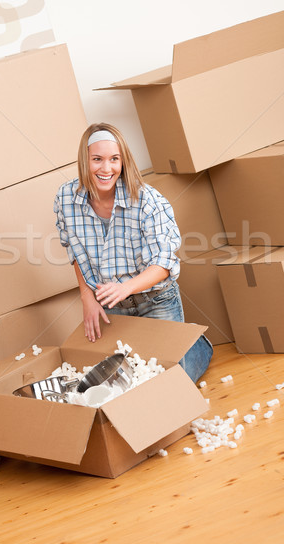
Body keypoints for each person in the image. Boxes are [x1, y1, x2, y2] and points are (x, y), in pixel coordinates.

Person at [54, 122, 213, 382]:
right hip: (112, 305)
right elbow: (74, 251)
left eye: (114, 159)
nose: (106, 169)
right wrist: (87, 298)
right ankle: (180, 341)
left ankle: (196, 344)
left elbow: (164, 263)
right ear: (85, 160)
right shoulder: (66, 198)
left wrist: (125, 287)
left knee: (171, 381)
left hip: (156, 300)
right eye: (97, 159)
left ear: (123, 161)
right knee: (128, 382)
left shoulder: (148, 200)